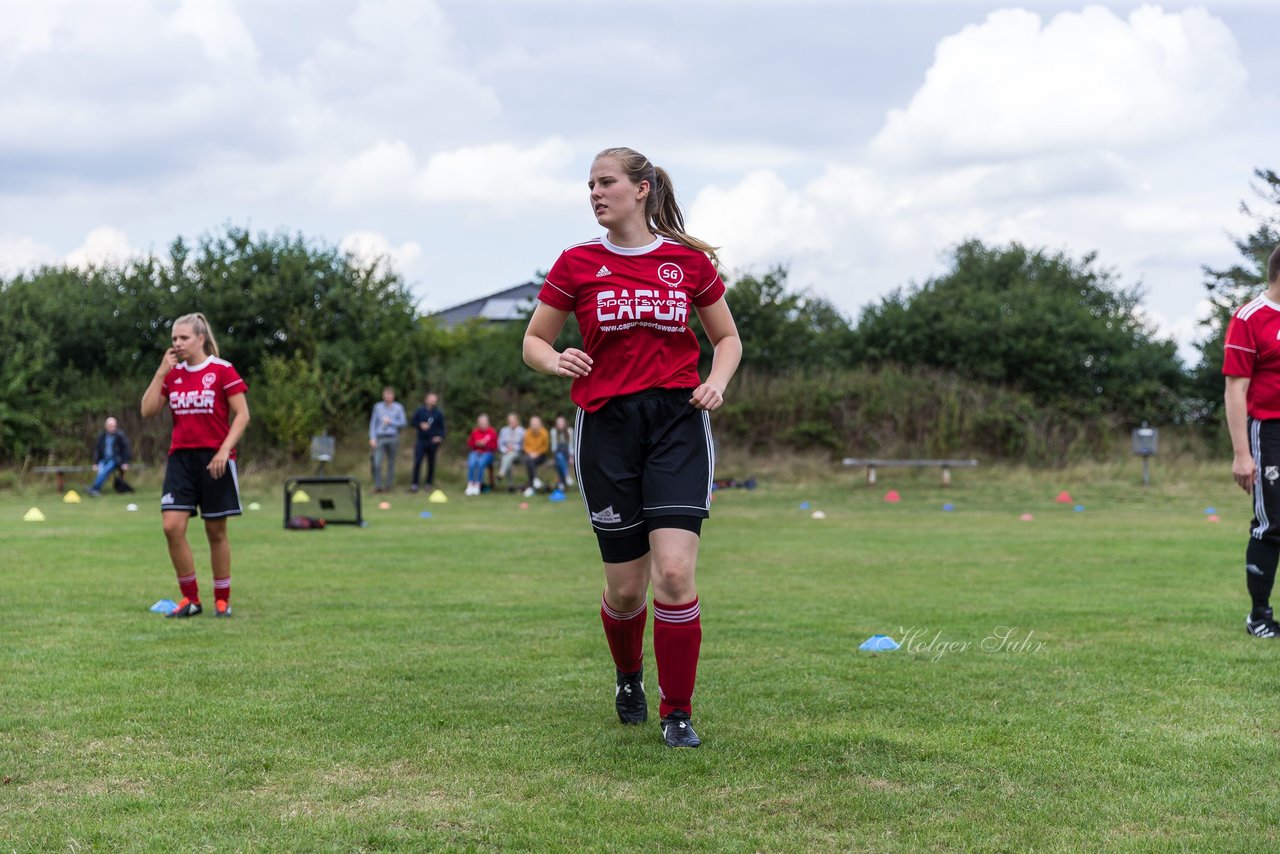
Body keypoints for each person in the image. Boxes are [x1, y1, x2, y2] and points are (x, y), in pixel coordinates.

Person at [523, 146, 742, 748]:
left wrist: (715, 383)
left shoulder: (686, 262)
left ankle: (678, 712)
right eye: (589, 184)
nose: (595, 193)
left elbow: (726, 339)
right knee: (626, 588)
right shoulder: (576, 262)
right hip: (606, 427)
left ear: (641, 188)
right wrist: (554, 359)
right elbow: (534, 341)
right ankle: (627, 678)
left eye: (606, 182)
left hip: (676, 422)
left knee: (673, 571)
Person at [140, 312, 250, 619]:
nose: (178, 343)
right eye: (174, 338)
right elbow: (147, 410)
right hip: (180, 460)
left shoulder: (222, 370)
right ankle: (190, 599)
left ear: (200, 339)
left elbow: (242, 415)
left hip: (215, 459)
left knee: (216, 531)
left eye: (184, 338)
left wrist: (224, 451)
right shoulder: (173, 374)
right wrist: (161, 372)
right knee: (171, 527)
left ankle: (222, 599)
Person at [1225, 243, 1280, 638]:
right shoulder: (1250, 318)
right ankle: (1259, 617)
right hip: (1268, 432)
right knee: (1271, 525)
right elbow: (1235, 389)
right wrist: (1242, 454)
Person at [369, 386, 407, 493]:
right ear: (383, 396)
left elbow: (403, 423)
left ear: (393, 396)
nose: (387, 397)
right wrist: (372, 437)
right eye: (386, 394)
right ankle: (378, 486)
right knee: (377, 463)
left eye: (389, 395)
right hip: (380, 437)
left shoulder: (398, 407)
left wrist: (391, 422)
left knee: (391, 463)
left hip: (393, 437)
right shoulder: (378, 407)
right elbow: (373, 423)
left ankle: (389, 486)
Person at [410, 392, 446, 492]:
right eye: (431, 399)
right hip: (421, 441)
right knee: (417, 462)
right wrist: (420, 424)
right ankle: (414, 484)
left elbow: (442, 428)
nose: (432, 401)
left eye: (434, 399)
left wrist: (440, 437)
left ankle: (428, 483)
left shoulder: (438, 413)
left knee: (431, 463)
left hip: (433, 442)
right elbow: (413, 422)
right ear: (426, 399)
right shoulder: (420, 411)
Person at [88, 416, 132, 497]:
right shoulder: (102, 436)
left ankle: (94, 488)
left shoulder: (120, 436)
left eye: (114, 426)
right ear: (106, 426)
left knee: (105, 470)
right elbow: (97, 450)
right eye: (111, 426)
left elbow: (126, 449)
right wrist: (95, 463)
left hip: (115, 460)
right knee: (101, 471)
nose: (113, 428)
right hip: (103, 459)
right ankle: (95, 489)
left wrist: (125, 462)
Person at [465, 413, 498, 496]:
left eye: (483, 422)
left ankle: (477, 485)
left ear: (487, 422)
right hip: (476, 452)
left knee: (480, 463)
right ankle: (470, 484)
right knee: (472, 462)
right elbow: (470, 444)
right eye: (480, 422)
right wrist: (476, 444)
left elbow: (495, 447)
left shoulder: (492, 432)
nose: (482, 423)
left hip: (488, 453)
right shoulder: (475, 432)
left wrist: (485, 445)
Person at [496, 412, 525, 492]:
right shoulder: (504, 430)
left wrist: (513, 448)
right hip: (505, 453)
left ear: (517, 421)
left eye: (513, 421)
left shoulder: (522, 431)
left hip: (518, 454)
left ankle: (501, 474)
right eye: (510, 421)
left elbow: (523, 445)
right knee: (507, 459)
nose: (511, 423)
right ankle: (510, 486)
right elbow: (499, 444)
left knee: (508, 457)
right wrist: (505, 449)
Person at [522, 415, 550, 496]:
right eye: (532, 423)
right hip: (530, 455)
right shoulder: (527, 432)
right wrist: (531, 453)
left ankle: (532, 484)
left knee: (529, 461)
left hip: (541, 455)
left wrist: (537, 453)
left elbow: (545, 447)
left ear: (540, 423)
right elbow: (525, 446)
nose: (534, 425)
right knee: (528, 460)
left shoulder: (544, 432)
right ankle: (535, 481)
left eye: (536, 423)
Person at [550, 414, 574, 490]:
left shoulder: (570, 431)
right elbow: (554, 446)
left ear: (565, 423)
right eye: (558, 423)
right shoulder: (553, 431)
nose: (560, 425)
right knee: (559, 458)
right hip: (558, 453)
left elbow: (571, 445)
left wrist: (571, 457)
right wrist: (553, 457)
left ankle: (561, 482)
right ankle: (566, 477)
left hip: (567, 453)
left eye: (561, 423)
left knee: (560, 460)